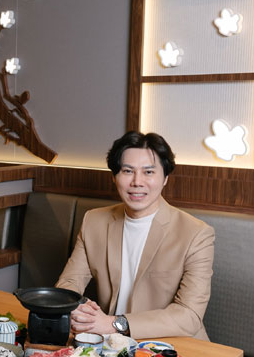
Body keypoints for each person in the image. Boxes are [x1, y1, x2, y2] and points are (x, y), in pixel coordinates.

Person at [55, 131, 214, 340]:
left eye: (148, 172)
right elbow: (69, 282)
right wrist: (78, 309)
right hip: (111, 343)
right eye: (128, 171)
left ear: (165, 178)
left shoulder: (196, 234)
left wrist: (114, 323)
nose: (137, 182)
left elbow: (190, 316)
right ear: (114, 177)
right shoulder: (93, 221)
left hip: (172, 346)